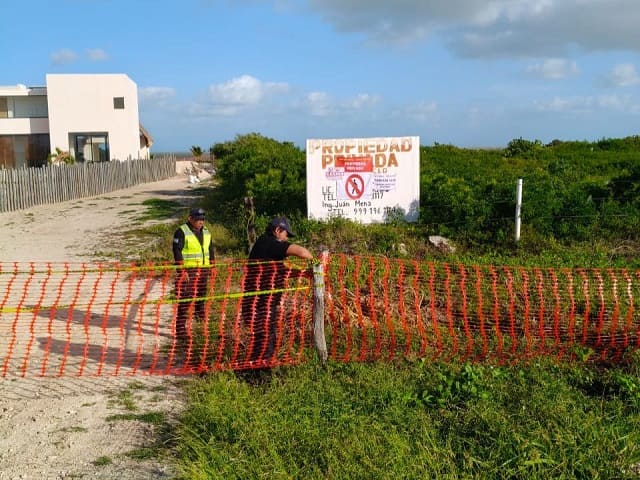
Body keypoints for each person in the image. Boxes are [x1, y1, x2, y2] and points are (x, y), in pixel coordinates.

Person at [242, 216, 313, 368]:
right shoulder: (271, 243)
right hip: (260, 304)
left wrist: (304, 273)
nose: (286, 238)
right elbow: (302, 252)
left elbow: (281, 271)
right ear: (277, 230)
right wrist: (316, 262)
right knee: (264, 341)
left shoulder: (266, 245)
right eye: (286, 234)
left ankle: (255, 372)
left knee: (265, 339)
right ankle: (259, 375)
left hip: (262, 303)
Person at [172, 207, 215, 340]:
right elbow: (177, 251)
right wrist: (181, 270)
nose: (200, 222)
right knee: (185, 300)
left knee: (201, 294)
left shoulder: (206, 231)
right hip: (189, 272)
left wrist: (213, 265)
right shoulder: (181, 231)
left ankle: (199, 316)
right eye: (198, 219)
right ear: (190, 218)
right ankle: (180, 329)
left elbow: (210, 249)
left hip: (203, 270)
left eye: (202, 219)